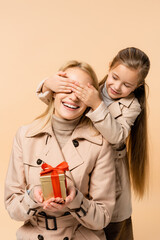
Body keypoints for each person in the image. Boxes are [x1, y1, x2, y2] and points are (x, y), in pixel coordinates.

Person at [36, 47, 150, 240]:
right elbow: (57, 101)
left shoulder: (132, 106)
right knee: (83, 223)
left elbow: (117, 136)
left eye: (127, 85)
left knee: (113, 226)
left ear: (138, 86)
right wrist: (47, 84)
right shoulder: (91, 87)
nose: (117, 86)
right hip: (82, 170)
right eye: (114, 77)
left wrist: (97, 104)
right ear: (109, 67)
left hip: (109, 175)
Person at [5, 61, 116, 240]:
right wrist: (33, 197)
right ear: (53, 91)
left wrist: (76, 199)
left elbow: (103, 217)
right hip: (35, 234)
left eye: (82, 92)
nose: (73, 98)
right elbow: (12, 207)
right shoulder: (25, 136)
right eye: (67, 88)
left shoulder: (100, 144)